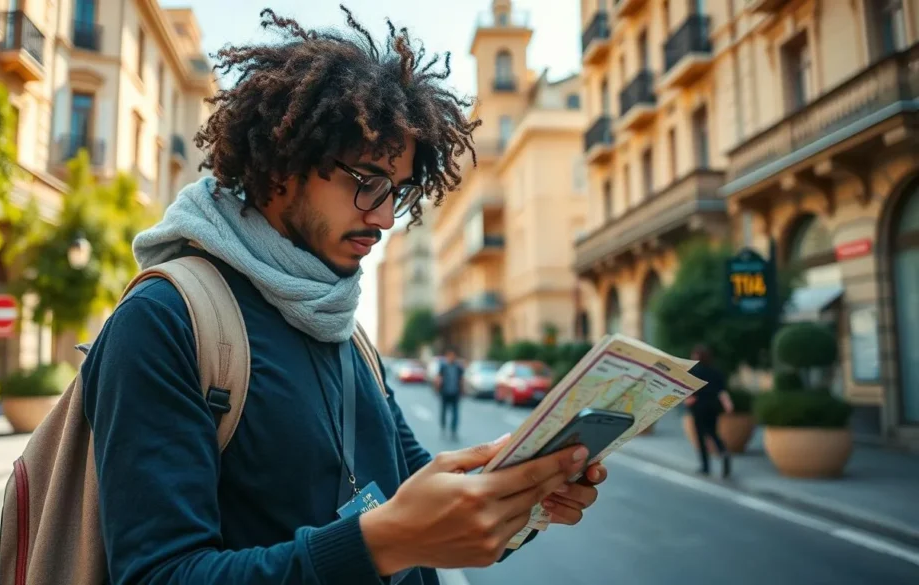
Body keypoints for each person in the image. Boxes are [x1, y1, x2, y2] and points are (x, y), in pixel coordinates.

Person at [81, 7, 608, 585]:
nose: (384, 218)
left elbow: (419, 496)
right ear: (283, 165)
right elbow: (159, 574)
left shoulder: (345, 329)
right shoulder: (164, 320)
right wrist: (381, 543)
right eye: (367, 182)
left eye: (396, 192)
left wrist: (521, 494)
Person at [686, 344, 734, 477]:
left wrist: (687, 401)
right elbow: (722, 391)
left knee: (701, 437)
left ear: (696, 356)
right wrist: (728, 405)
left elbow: (689, 394)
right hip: (713, 407)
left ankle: (705, 467)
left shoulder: (694, 372)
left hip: (699, 407)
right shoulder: (715, 372)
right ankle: (723, 451)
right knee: (713, 433)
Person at [435, 347, 465, 440]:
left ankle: (453, 429)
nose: (451, 357)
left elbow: (461, 379)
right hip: (445, 392)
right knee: (444, 411)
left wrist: (462, 390)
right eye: (450, 355)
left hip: (455, 393)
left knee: (455, 413)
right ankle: (443, 426)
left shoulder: (458, 367)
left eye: (453, 355)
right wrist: (437, 388)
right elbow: (439, 378)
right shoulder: (443, 366)